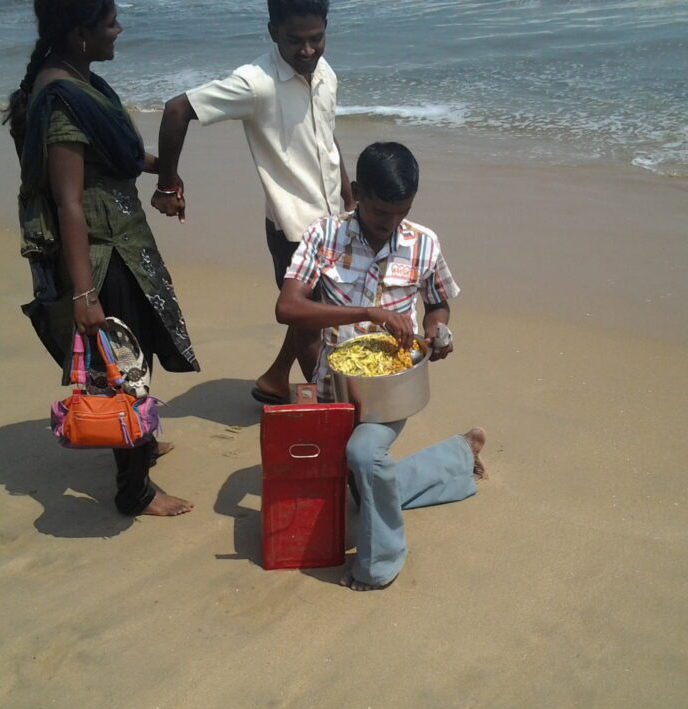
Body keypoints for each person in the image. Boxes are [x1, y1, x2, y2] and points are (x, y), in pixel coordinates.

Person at [4, 0, 199, 517]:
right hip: (101, 254)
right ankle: (134, 490)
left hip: (123, 240)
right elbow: (69, 199)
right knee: (122, 369)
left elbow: (118, 156)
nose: (119, 29)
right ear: (78, 35)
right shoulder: (63, 99)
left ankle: (141, 441)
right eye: (109, 22)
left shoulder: (78, 80)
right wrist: (85, 294)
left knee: (139, 349)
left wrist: (166, 170)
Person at [275, 142, 487, 590]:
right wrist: (367, 314)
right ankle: (459, 455)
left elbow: (437, 303)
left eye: (401, 212)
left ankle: (380, 565)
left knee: (363, 456)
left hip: (393, 387)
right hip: (332, 384)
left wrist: (441, 331)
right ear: (357, 192)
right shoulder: (323, 236)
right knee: (364, 487)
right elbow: (288, 308)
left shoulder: (423, 243)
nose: (390, 225)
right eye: (378, 213)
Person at [151, 0, 353, 406]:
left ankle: (277, 378)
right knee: (314, 324)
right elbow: (177, 110)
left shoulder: (324, 73)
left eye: (317, 39)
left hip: (334, 221)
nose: (307, 51)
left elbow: (326, 140)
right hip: (292, 227)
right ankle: (342, 409)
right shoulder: (255, 82)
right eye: (295, 40)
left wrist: (349, 200)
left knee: (316, 313)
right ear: (272, 31)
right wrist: (167, 184)